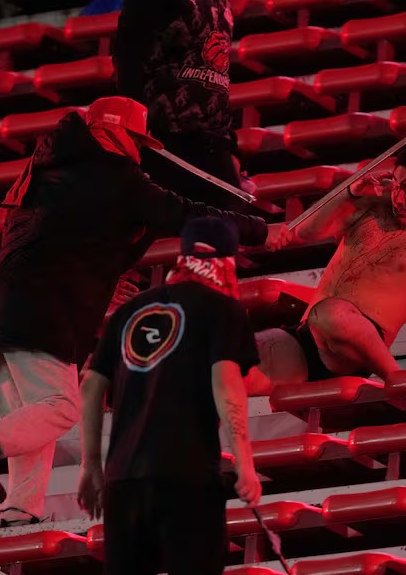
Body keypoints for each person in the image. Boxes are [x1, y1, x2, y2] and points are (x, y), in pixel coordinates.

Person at [0, 97, 288, 528]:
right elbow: (181, 214)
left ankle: (19, 512)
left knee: (30, 417)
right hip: (42, 309)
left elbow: (67, 237)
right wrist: (259, 230)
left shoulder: (53, 171)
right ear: (117, 134)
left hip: (0, 308)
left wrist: (103, 278)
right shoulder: (108, 170)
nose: (139, 153)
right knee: (61, 407)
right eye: (137, 141)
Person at [77, 217, 260, 575]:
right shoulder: (222, 308)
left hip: (123, 481)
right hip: (187, 476)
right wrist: (244, 462)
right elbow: (226, 380)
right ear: (227, 259)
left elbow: (90, 386)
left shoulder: (127, 312)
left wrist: (91, 466)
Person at [247, 146, 406, 394]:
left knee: (331, 313)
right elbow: (306, 232)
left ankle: (398, 381)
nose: (397, 198)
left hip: (350, 353)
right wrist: (349, 192)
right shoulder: (372, 205)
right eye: (396, 185)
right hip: (308, 336)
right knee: (232, 360)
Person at [114, 0, 248, 205]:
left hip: (211, 142)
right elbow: (130, 51)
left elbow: (218, 78)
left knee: (229, 222)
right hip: (165, 137)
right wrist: (135, 124)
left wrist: (230, 147)